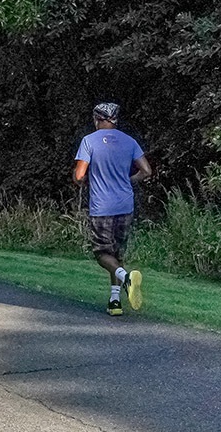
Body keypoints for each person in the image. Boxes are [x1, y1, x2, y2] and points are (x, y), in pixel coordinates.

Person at [73, 103, 152, 316]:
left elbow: (79, 176)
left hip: (102, 206)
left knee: (102, 253)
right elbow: (146, 171)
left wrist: (85, 182)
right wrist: (127, 180)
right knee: (117, 254)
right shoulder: (130, 141)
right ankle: (115, 301)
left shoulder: (89, 141)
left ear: (98, 118)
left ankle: (126, 278)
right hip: (125, 205)